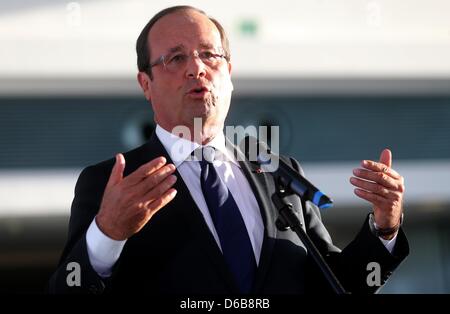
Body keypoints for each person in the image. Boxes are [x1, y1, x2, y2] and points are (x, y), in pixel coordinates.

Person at [49, 5, 408, 294]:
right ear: (146, 83)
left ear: (230, 73)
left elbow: (342, 284)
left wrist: (385, 228)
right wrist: (107, 232)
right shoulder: (113, 184)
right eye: (175, 58)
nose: (196, 69)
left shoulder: (277, 172)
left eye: (210, 55)